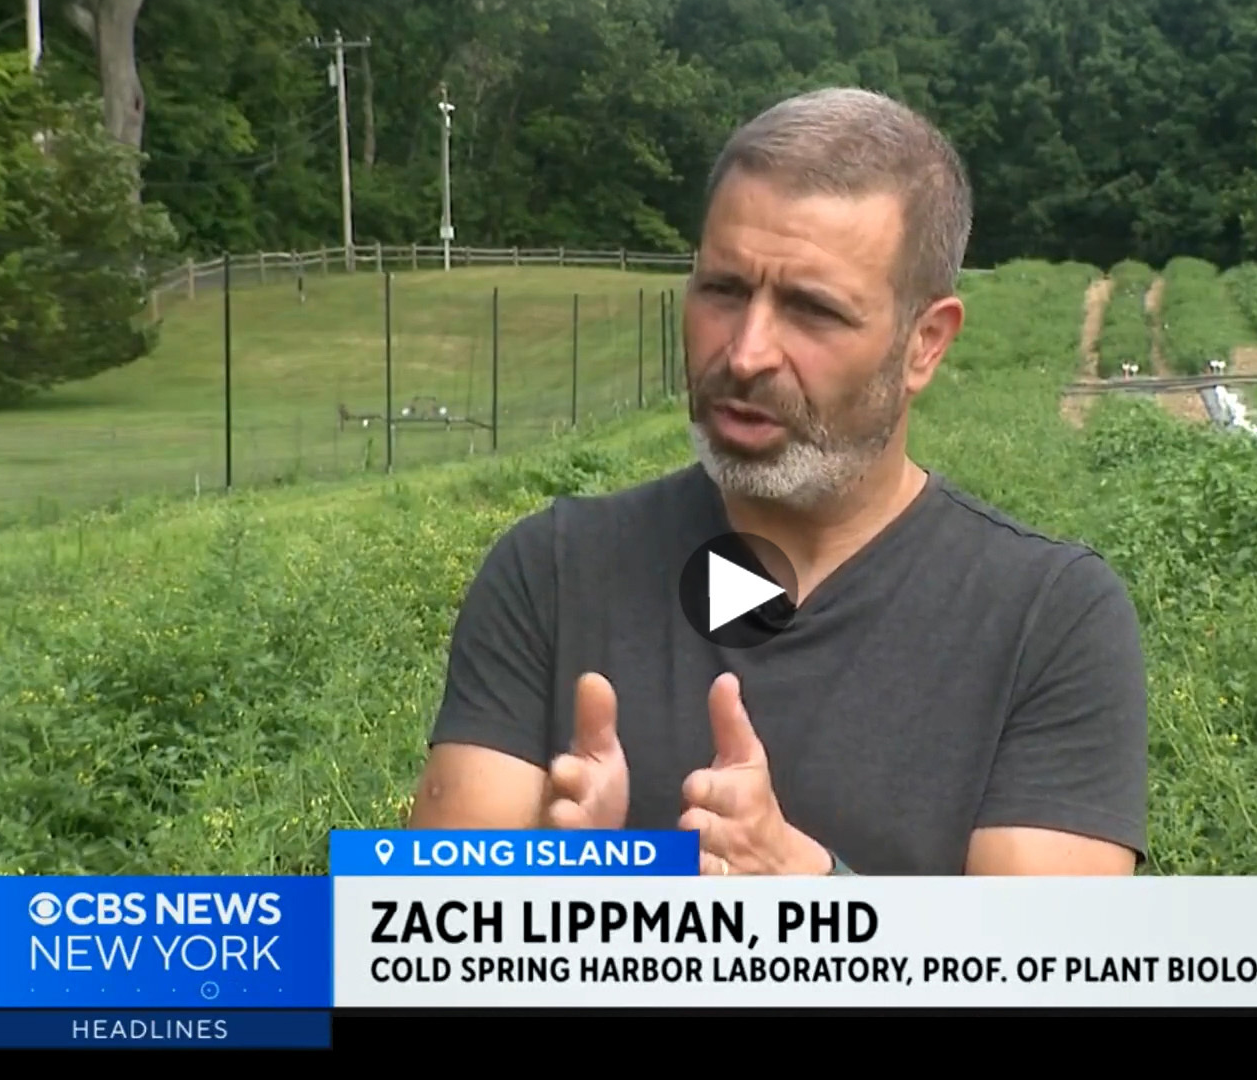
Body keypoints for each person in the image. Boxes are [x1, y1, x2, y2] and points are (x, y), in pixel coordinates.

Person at [406, 87, 1147, 876]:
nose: (747, 351)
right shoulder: (556, 572)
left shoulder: (1046, 621)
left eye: (812, 310)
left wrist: (809, 894)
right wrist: (568, 883)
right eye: (723, 291)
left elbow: (1045, 949)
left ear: (925, 344)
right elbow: (409, 931)